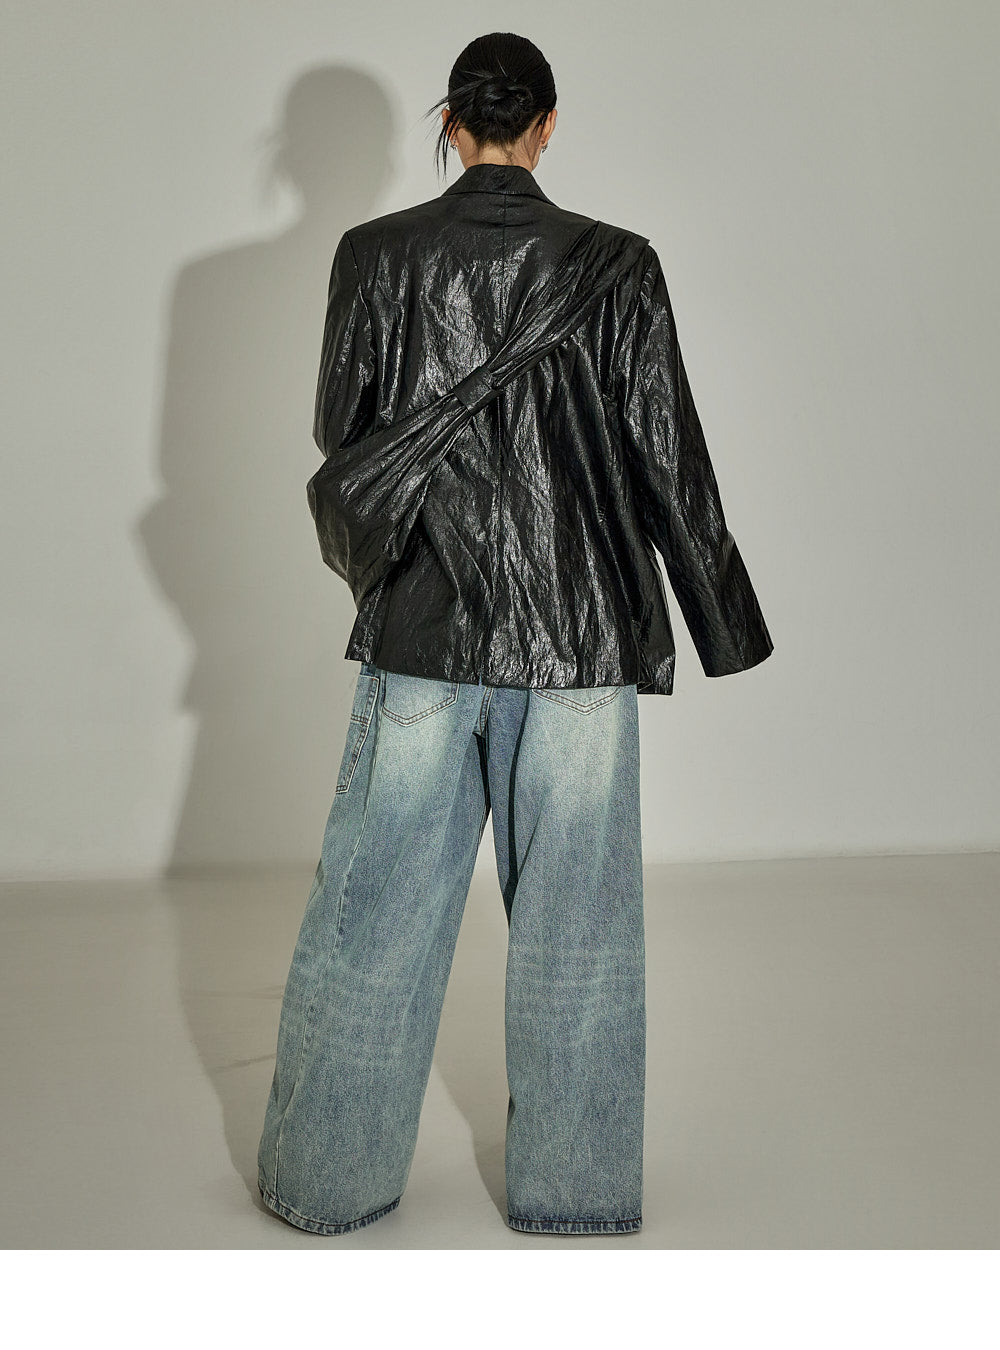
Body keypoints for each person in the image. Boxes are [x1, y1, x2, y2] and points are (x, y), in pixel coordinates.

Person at [256, 31, 774, 1238]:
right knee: (579, 928)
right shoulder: (619, 263)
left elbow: (345, 432)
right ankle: (574, 1198)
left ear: (452, 123)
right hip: (581, 640)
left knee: (373, 915)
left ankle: (327, 1187)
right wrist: (724, 625)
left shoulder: (376, 255)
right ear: (546, 127)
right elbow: (668, 455)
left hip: (422, 633)